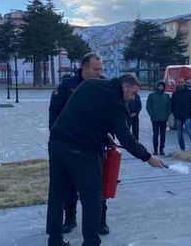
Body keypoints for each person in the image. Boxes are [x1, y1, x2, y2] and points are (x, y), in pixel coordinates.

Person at [46, 74, 166, 246]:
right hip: (83, 152)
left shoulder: (90, 85)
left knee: (57, 194)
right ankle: (91, 242)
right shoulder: (116, 102)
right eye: (133, 93)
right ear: (125, 87)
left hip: (57, 143)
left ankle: (54, 240)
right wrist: (147, 157)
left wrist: (103, 134)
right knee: (92, 198)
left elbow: (84, 115)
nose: (133, 98)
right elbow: (126, 138)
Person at [48, 53, 105, 235]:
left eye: (101, 69)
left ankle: (100, 221)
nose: (99, 73)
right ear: (84, 67)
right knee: (69, 187)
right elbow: (54, 116)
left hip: (94, 147)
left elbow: (109, 114)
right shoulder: (67, 87)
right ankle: (70, 219)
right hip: (70, 148)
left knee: (97, 188)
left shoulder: (103, 86)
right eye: (96, 69)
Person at [170, 79, 191, 151]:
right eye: (179, 82)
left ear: (184, 83)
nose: (181, 83)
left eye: (182, 82)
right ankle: (182, 149)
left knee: (190, 132)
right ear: (178, 83)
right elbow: (171, 104)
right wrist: (174, 112)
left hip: (187, 116)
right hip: (178, 116)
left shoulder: (189, 92)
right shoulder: (175, 93)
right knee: (179, 135)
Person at [146, 80, 171, 156]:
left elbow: (169, 107)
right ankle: (155, 150)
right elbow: (148, 106)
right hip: (155, 119)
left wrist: (167, 115)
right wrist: (152, 115)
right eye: (159, 86)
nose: (161, 87)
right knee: (155, 135)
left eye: (162, 86)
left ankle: (161, 149)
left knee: (163, 135)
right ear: (157, 87)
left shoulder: (166, 96)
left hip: (163, 119)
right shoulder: (152, 95)